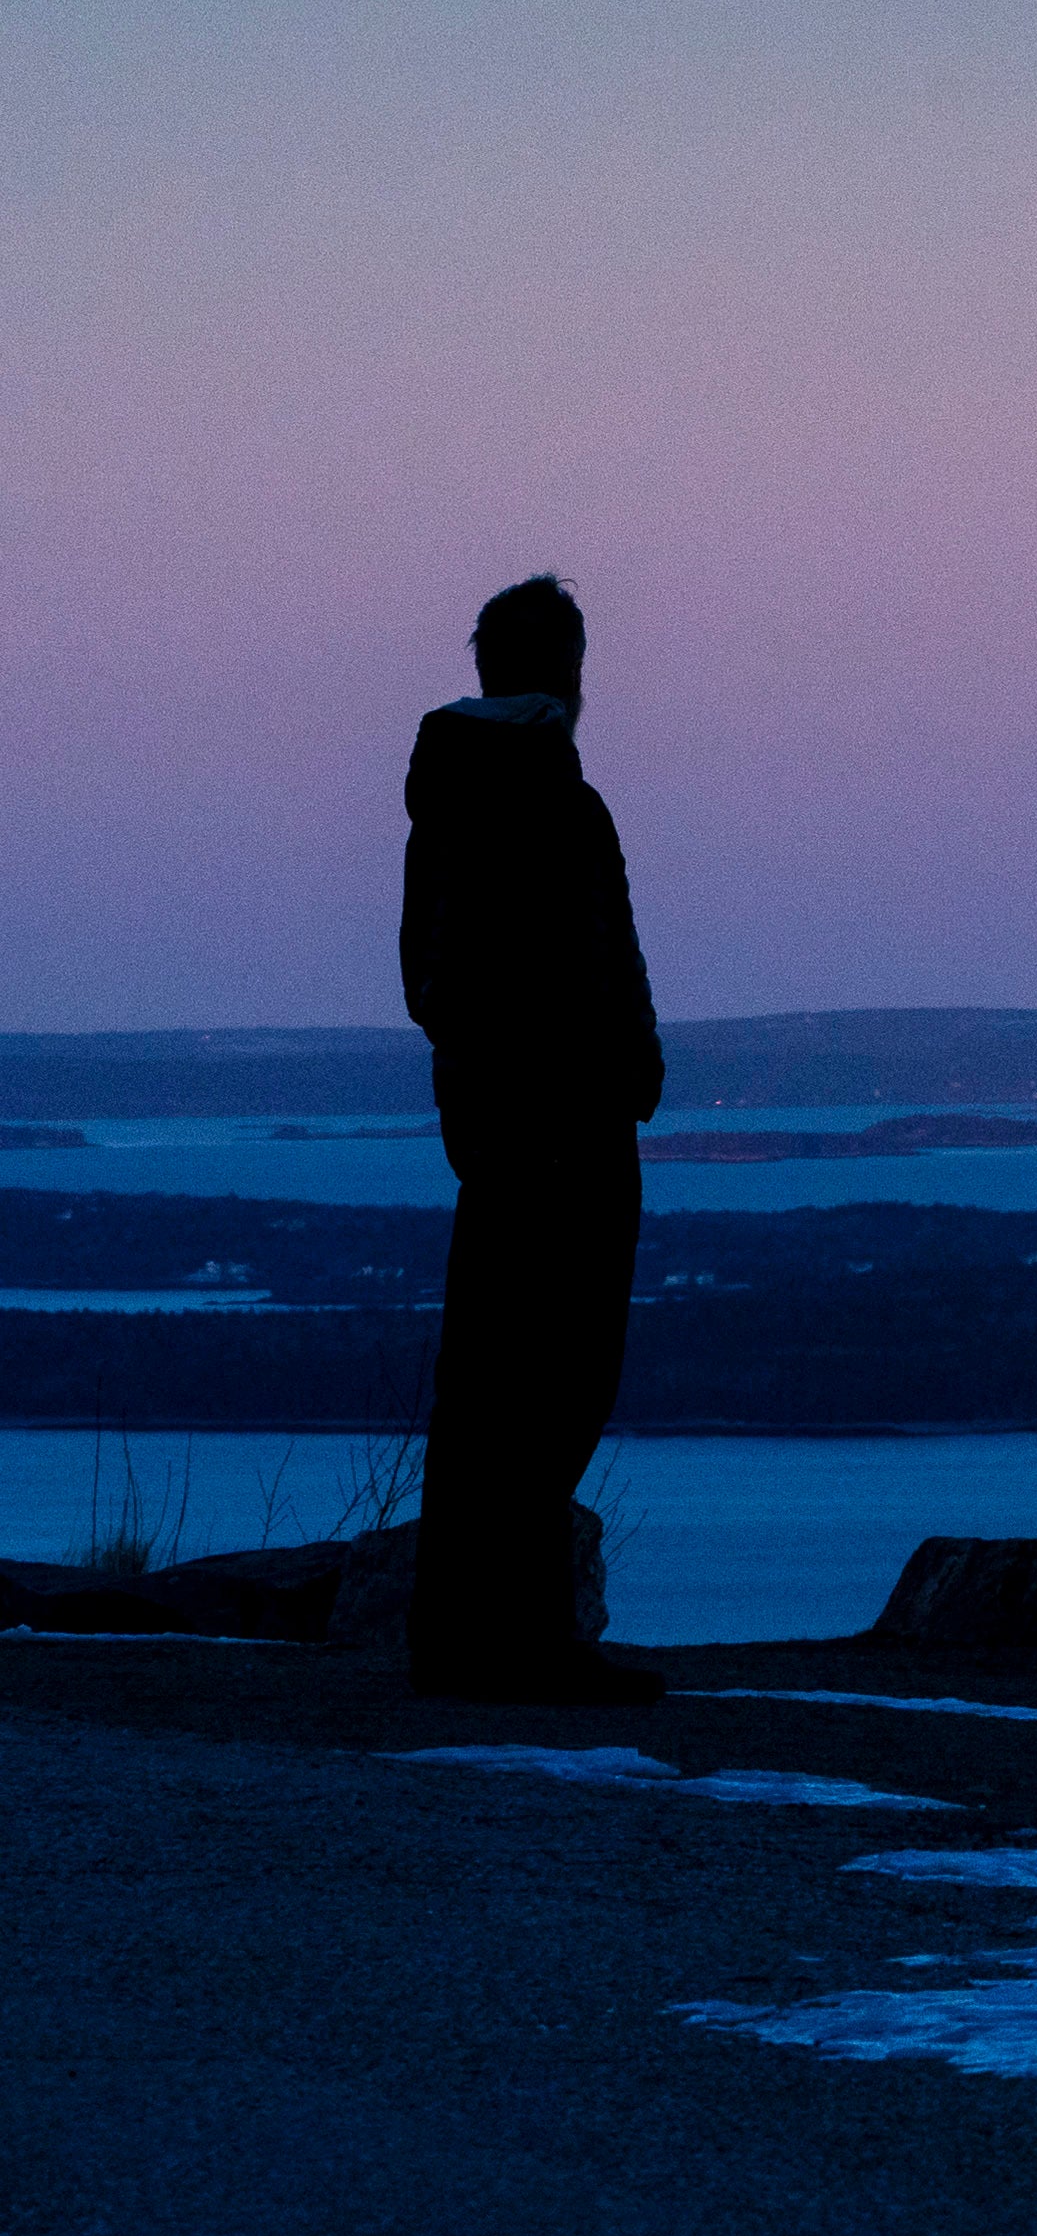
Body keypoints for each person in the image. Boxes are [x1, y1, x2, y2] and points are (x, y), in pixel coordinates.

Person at [397, 573, 666, 1704]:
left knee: (493, 1377)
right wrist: (610, 1071)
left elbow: (430, 972)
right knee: (556, 1378)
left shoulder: (455, 801)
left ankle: (464, 1634)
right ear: (568, 672)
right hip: (560, 1125)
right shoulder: (550, 803)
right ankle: (521, 1640)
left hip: (506, 1120)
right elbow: (592, 961)